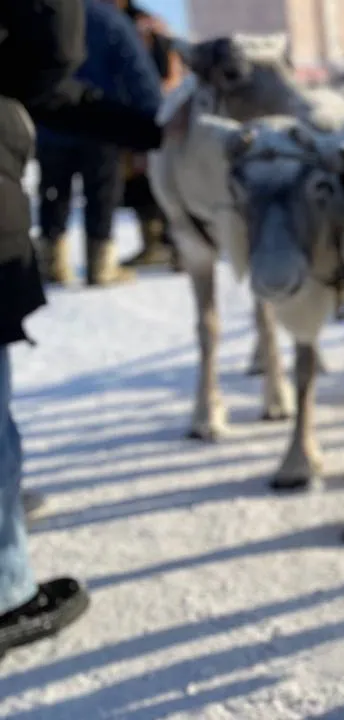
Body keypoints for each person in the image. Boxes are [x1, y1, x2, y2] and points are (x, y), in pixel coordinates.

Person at [1, 0, 164, 660]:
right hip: (55, 150)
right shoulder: (111, 21)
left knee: (61, 216)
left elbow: (35, 81)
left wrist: (149, 126)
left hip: (57, 138)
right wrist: (155, 118)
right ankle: (7, 590)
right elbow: (49, 59)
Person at [36, 0, 163, 287]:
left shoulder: (46, 14)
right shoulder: (109, 19)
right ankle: (100, 265)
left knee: (54, 193)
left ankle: (52, 262)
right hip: (101, 122)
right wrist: (154, 122)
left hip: (51, 123)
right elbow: (137, 71)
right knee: (101, 193)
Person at [115, 0, 182, 271]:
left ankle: (173, 246)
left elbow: (166, 71)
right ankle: (155, 244)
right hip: (135, 113)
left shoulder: (143, 24)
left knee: (160, 181)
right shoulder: (135, 20)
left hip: (152, 111)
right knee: (139, 184)